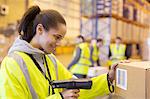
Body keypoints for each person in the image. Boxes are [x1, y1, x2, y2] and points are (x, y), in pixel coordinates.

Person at [0, 5, 117, 99]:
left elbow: (76, 88)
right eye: (57, 37)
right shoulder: (12, 63)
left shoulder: (50, 60)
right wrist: (60, 97)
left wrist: (108, 79)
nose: (59, 43)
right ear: (40, 29)